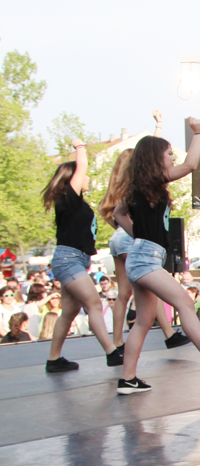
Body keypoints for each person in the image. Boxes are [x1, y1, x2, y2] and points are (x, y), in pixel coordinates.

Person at [113, 121, 200, 394]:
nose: (173, 157)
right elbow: (190, 166)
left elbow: (118, 214)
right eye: (169, 153)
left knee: (143, 320)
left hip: (141, 258)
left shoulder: (138, 187)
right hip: (146, 259)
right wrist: (198, 133)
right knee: (185, 301)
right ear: (156, 159)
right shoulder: (152, 182)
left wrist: (137, 234)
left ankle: (128, 378)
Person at [98, 139, 192, 353]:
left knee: (125, 292)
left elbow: (109, 210)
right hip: (136, 239)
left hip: (120, 236)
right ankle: (168, 333)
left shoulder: (122, 185)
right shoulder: (142, 184)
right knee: (150, 284)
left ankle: (118, 342)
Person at [41, 139, 123, 373]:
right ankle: (111, 351)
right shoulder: (68, 197)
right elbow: (82, 168)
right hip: (69, 259)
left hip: (74, 259)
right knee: (94, 302)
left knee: (69, 311)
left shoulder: (74, 203)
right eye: (82, 176)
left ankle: (54, 359)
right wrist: (80, 148)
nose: (87, 179)